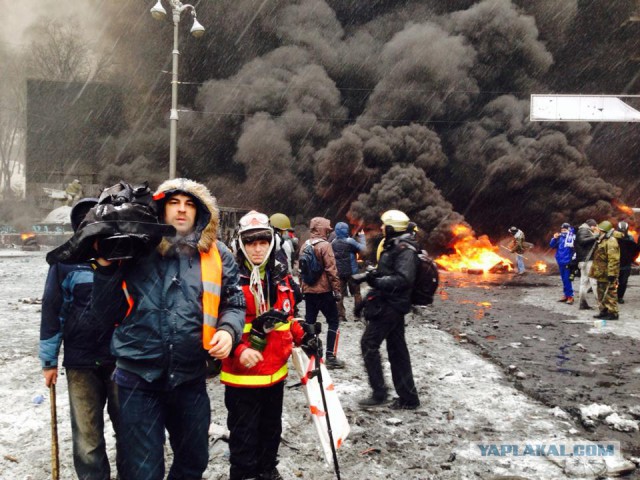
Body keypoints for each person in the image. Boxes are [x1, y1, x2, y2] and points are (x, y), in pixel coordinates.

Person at [91, 178, 246, 480]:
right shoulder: (135, 244)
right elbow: (104, 311)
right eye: (174, 203)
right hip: (138, 377)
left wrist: (228, 330)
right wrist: (105, 267)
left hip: (190, 377)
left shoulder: (218, 253)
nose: (182, 210)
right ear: (161, 208)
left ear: (201, 213)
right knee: (144, 470)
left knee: (193, 461)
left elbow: (234, 301)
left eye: (190, 204)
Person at [221, 210, 314, 480]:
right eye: (251, 242)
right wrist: (240, 348)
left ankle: (267, 471)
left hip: (276, 375)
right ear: (240, 244)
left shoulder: (281, 276)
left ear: (272, 242)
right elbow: (218, 325)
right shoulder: (230, 280)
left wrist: (303, 334)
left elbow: (288, 315)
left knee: (271, 433)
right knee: (243, 439)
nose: (258, 248)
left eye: (263, 242)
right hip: (242, 378)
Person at [40, 197, 122, 480]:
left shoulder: (124, 257)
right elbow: (53, 311)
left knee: (130, 430)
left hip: (121, 360)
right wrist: (49, 361)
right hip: (80, 363)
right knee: (88, 440)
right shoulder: (65, 263)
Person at [357, 209, 420, 410]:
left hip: (391, 305)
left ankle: (379, 393)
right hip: (391, 303)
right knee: (397, 350)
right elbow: (390, 272)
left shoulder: (405, 249)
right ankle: (408, 398)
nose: (382, 228)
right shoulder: (396, 245)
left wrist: (377, 280)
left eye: (385, 225)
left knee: (369, 343)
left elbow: (403, 279)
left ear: (392, 228)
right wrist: (373, 276)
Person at [300, 217, 345, 369]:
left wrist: (303, 288)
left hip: (309, 292)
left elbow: (301, 271)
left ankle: (311, 357)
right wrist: (337, 291)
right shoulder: (325, 246)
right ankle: (330, 356)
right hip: (324, 292)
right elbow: (331, 270)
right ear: (322, 229)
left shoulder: (304, 245)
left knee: (310, 324)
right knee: (333, 321)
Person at [331, 222, 366, 323]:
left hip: (339, 272)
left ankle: (341, 316)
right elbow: (363, 249)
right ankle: (357, 315)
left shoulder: (333, 242)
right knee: (357, 293)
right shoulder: (350, 241)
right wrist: (362, 237)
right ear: (346, 230)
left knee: (340, 295)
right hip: (352, 273)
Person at [590, 221, 621, 320]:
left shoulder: (611, 241)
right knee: (601, 293)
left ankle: (613, 313)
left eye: (598, 229)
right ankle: (603, 311)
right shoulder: (602, 239)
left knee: (610, 293)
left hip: (608, 273)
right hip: (601, 273)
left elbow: (614, 259)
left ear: (603, 230)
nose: (596, 230)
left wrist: (612, 274)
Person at [574, 219, 600, 310]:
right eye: (594, 226)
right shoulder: (584, 231)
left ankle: (582, 303)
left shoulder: (583, 230)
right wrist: (596, 236)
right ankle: (600, 303)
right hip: (587, 260)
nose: (595, 228)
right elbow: (582, 241)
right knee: (594, 282)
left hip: (584, 260)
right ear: (591, 225)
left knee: (584, 283)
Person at [549, 222, 575, 304]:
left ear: (568, 229)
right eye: (562, 229)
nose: (563, 230)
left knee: (567, 279)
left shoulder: (572, 237)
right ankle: (565, 295)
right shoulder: (559, 238)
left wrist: (572, 260)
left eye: (565, 229)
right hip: (560, 261)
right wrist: (554, 238)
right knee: (564, 279)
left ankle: (570, 296)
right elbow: (552, 246)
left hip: (567, 261)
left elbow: (575, 249)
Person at [614, 221, 638, 304]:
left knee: (623, 282)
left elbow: (635, 250)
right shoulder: (612, 238)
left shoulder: (630, 239)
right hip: (614, 263)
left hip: (625, 265)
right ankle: (612, 296)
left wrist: (631, 259)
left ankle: (620, 297)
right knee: (612, 281)